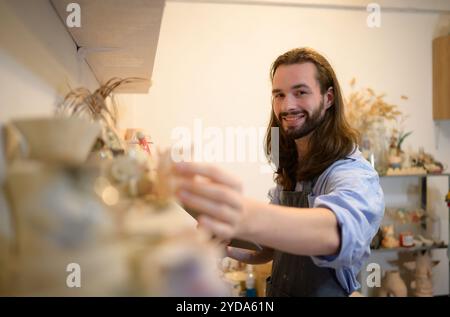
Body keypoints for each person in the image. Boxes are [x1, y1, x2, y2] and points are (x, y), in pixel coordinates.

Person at [174, 47, 385, 297]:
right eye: (279, 95)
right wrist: (226, 247)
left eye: (300, 92)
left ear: (328, 98)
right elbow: (270, 247)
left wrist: (239, 212)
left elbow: (334, 233)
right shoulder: (291, 167)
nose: (287, 105)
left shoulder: (352, 172)